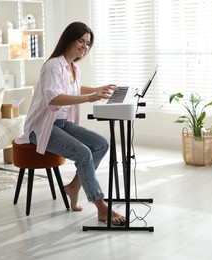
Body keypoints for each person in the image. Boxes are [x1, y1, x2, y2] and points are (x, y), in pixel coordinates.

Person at [15, 21, 125, 225]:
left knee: (101, 144)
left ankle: (74, 186)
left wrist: (97, 89)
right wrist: (90, 97)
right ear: (69, 40)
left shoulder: (73, 67)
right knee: (83, 153)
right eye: (81, 41)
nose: (84, 46)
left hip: (62, 123)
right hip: (41, 128)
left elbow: (73, 88)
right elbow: (54, 98)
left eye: (87, 43)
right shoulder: (52, 66)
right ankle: (101, 207)